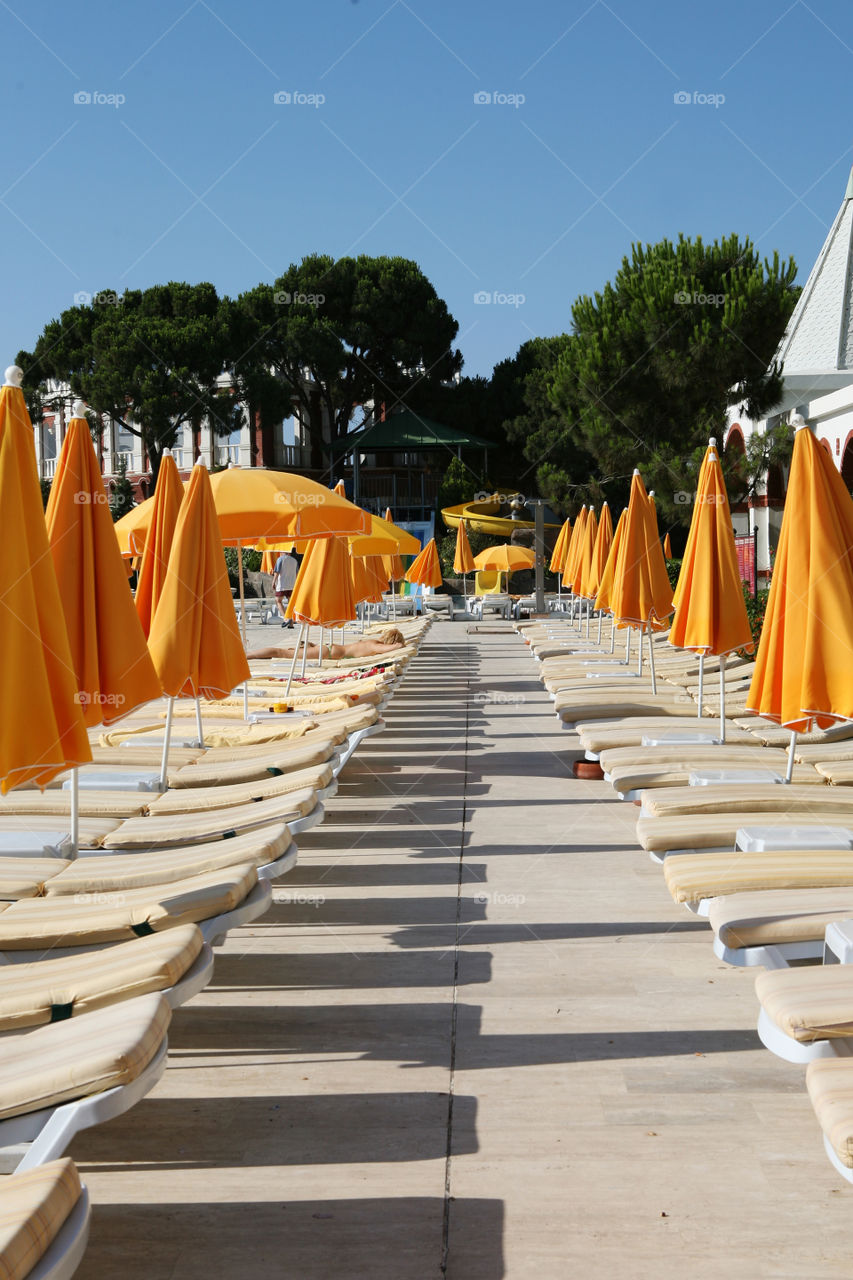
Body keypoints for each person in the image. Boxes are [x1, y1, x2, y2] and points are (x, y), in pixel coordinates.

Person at [246, 626, 407, 662]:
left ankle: (306, 646)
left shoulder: (372, 642)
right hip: (328, 652)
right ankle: (249, 655)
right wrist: (401, 646)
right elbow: (397, 647)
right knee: (280, 653)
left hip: (329, 649)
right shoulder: (375, 646)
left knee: (286, 652)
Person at [272, 548, 299, 626]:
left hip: (282, 584)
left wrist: (273, 582)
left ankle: (286, 618)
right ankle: (291, 623)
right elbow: (297, 573)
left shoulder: (280, 559)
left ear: (282, 551)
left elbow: (276, 572)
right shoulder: (294, 561)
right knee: (291, 603)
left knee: (278, 601)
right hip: (292, 585)